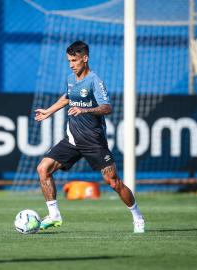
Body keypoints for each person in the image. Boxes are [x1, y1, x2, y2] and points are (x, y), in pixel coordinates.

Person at [35, 40, 145, 233]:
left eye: (74, 60)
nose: (71, 64)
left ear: (85, 59)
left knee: (113, 182)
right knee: (43, 168)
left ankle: (138, 217)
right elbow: (68, 97)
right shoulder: (71, 79)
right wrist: (49, 112)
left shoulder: (95, 80)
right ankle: (54, 215)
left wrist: (85, 110)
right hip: (72, 140)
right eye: (69, 60)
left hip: (94, 142)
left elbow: (107, 108)